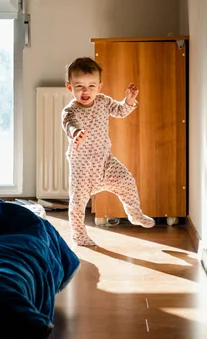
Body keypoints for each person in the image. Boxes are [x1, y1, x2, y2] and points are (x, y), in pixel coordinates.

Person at [61, 57, 155, 247]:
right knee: (77, 203)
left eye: (91, 86)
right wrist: (76, 133)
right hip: (82, 169)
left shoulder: (103, 102)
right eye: (79, 86)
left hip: (105, 162)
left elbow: (120, 111)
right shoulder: (70, 111)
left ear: (99, 87)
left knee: (127, 181)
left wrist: (128, 100)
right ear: (70, 87)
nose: (85, 91)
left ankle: (134, 213)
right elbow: (69, 125)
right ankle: (79, 235)